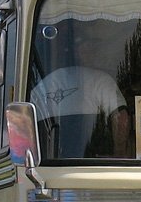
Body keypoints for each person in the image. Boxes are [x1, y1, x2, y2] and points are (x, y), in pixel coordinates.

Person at [30, 27, 130, 158]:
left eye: (94, 47)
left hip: (49, 163)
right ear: (76, 51)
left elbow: (26, 124)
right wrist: (119, 155)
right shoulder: (101, 80)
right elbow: (121, 118)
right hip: (94, 161)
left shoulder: (46, 83)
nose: (94, 52)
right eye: (88, 46)